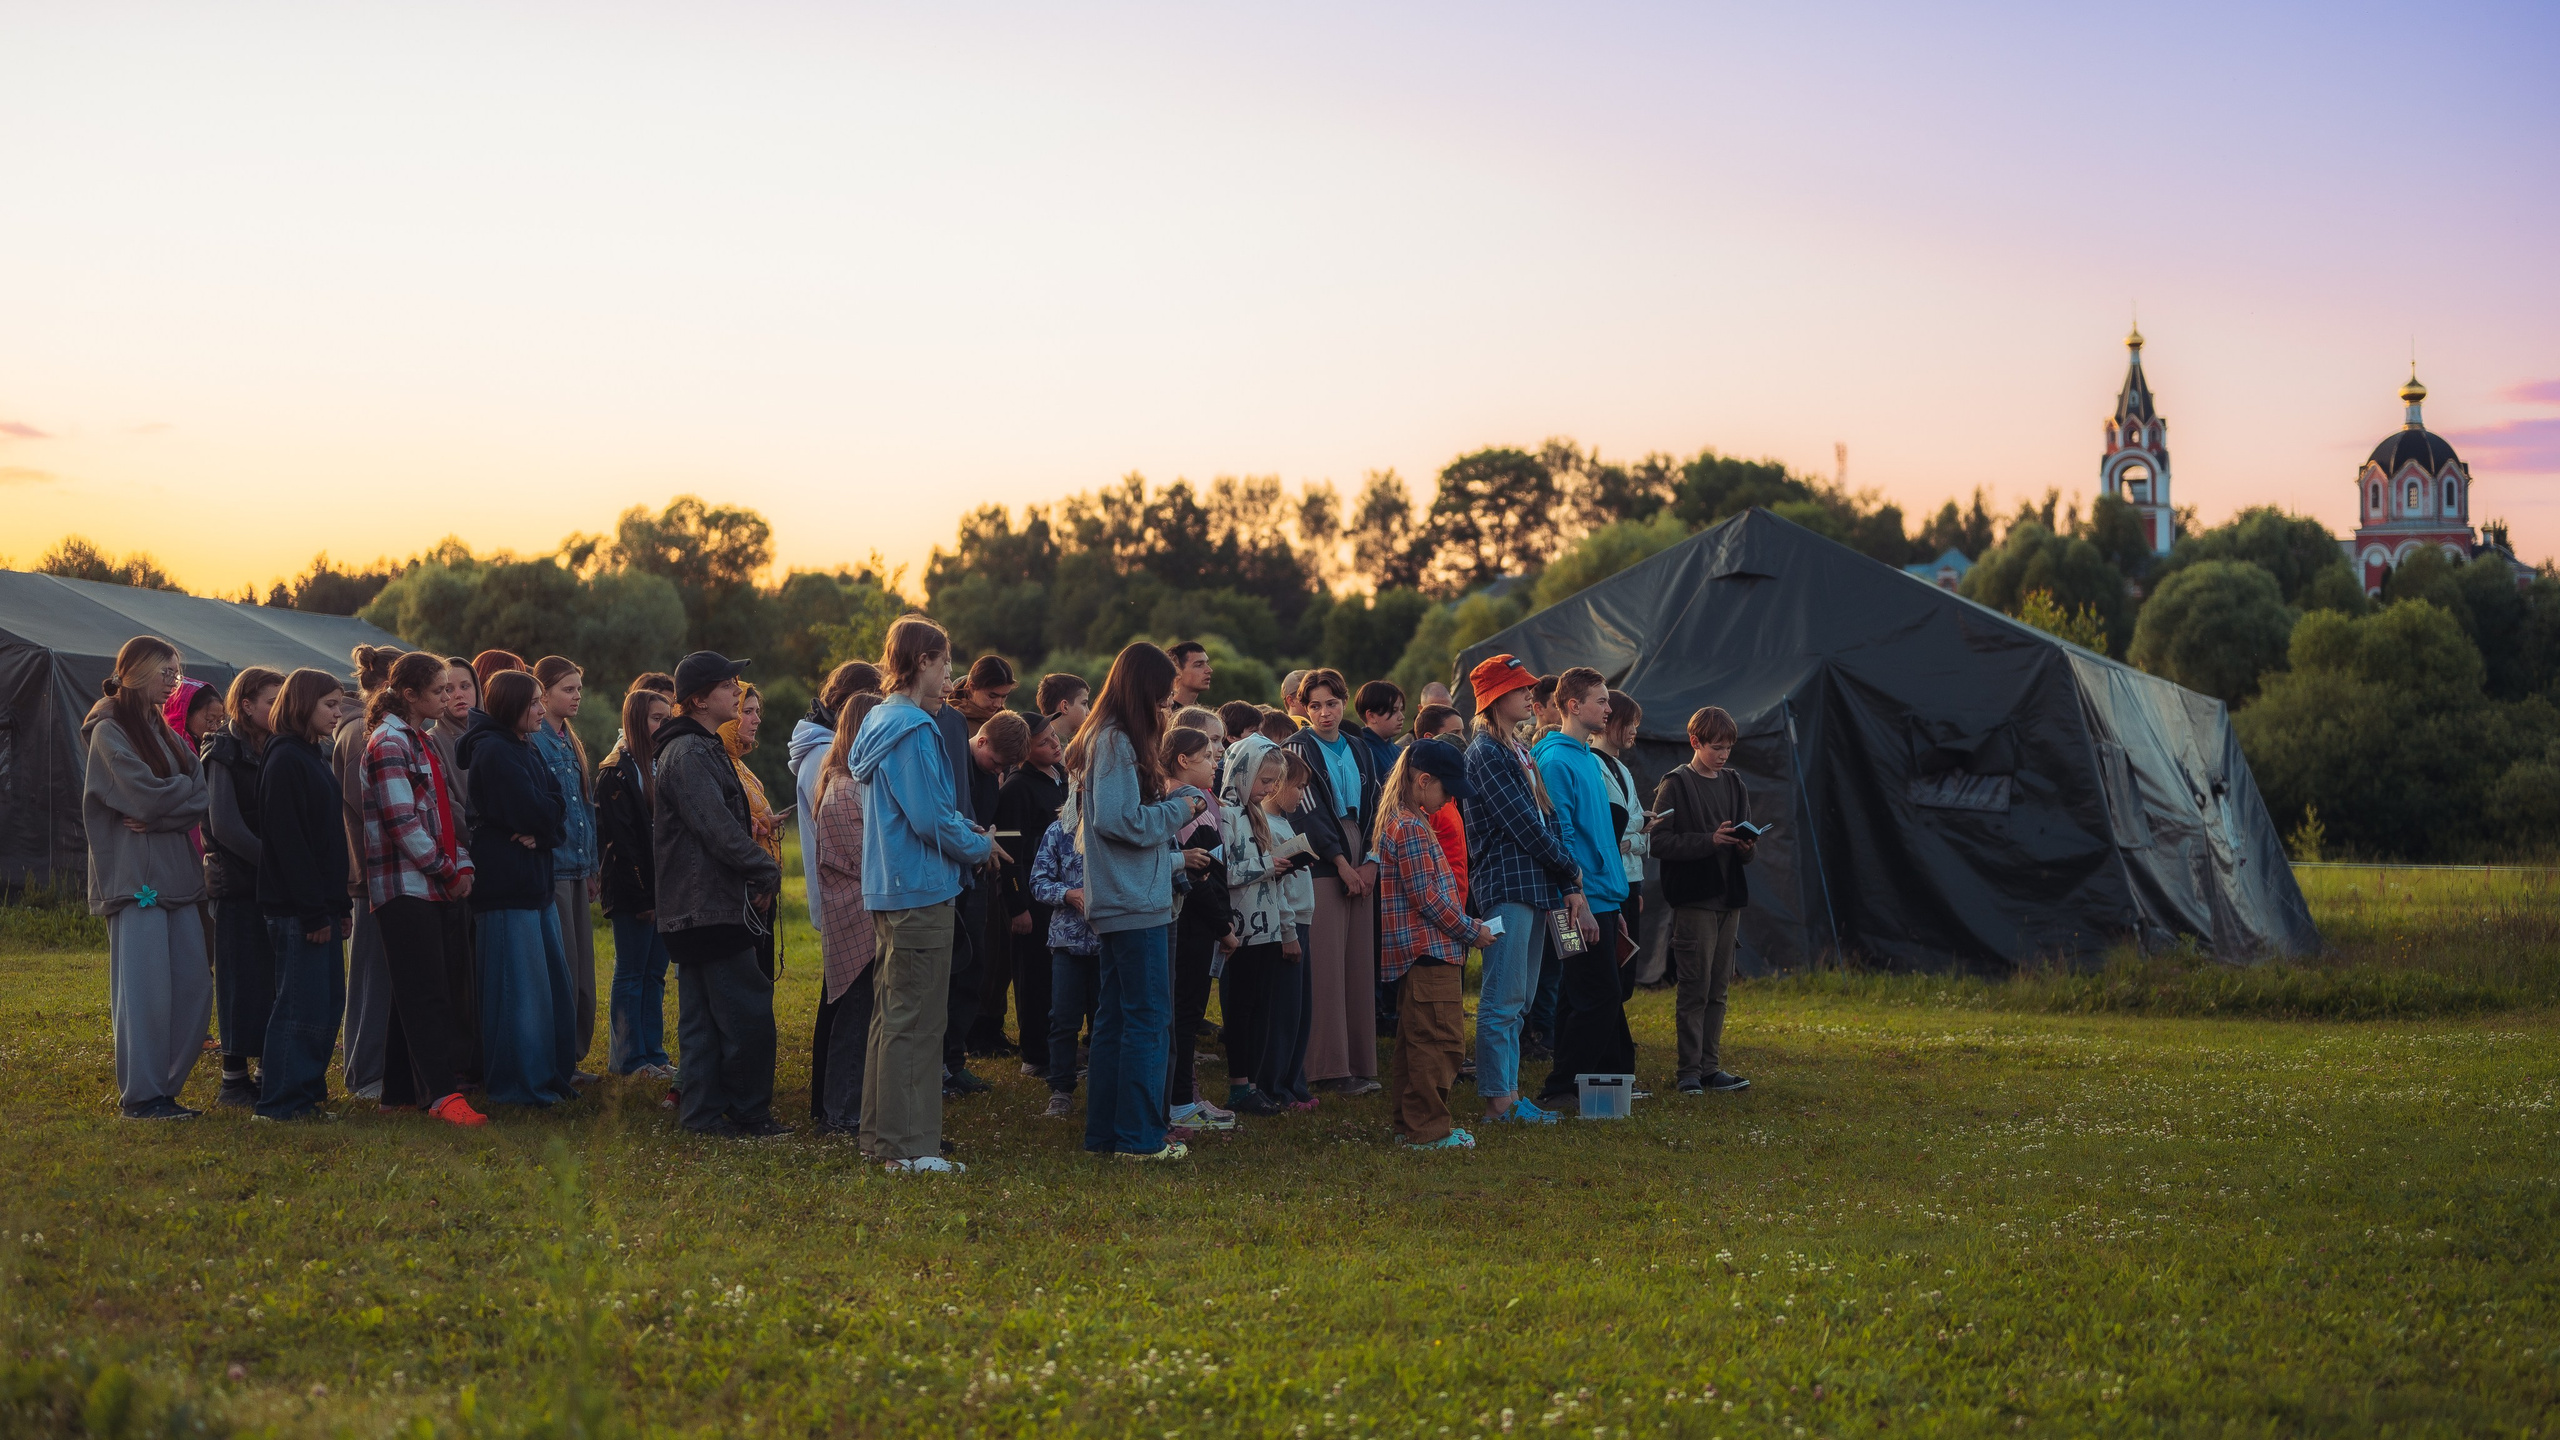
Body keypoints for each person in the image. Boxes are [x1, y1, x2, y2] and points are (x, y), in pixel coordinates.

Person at [847, 617, 991, 1173]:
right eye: (946, 662)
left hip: (891, 888)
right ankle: (908, 1149)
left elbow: (924, 809)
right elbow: (930, 817)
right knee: (918, 1023)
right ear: (923, 661)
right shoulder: (913, 727)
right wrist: (978, 846)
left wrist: (963, 831)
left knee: (892, 1018)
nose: (950, 674)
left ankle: (881, 1137)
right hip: (920, 890)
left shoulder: (879, 720)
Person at [1063, 642, 1200, 1161]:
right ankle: (1140, 1139)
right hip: (1134, 899)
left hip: (1125, 896)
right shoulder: (1116, 740)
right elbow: (1118, 820)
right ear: (1142, 689)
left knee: (1117, 1020)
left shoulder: (1105, 737)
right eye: (1162, 695)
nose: (1165, 705)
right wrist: (1180, 809)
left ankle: (1106, 1135)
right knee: (1147, 1019)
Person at [653, 651, 789, 1138]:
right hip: (706, 907)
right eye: (727, 684)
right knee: (746, 1013)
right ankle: (747, 1112)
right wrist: (765, 869)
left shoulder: (697, 748)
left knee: (704, 1020)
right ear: (698, 699)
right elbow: (718, 831)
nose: (737, 691)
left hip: (700, 905)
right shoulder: (689, 754)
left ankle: (703, 1115)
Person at [84, 637, 213, 1120]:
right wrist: (173, 800)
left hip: (178, 877)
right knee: (145, 993)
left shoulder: (167, 732)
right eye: (166, 672)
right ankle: (143, 1096)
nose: (173, 682)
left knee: (194, 987)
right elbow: (142, 795)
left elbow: (199, 794)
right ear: (135, 671)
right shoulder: (108, 731)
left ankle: (164, 1088)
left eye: (176, 673)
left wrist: (165, 808)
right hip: (135, 879)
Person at [358, 651, 487, 1127]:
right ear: (410, 695)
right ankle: (441, 1095)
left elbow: (443, 813)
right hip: (404, 886)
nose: (448, 697)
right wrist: (448, 871)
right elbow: (402, 823)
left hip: (429, 882)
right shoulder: (389, 741)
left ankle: (398, 1092)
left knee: (411, 990)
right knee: (427, 993)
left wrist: (461, 862)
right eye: (438, 690)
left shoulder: (422, 741)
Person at [1459, 654, 1586, 1126]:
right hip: (1507, 885)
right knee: (1502, 998)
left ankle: (1510, 1094)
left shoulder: (1516, 748)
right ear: (1495, 698)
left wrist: (1565, 881)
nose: (1529, 695)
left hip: (1534, 885)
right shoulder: (1486, 753)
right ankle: (1498, 1102)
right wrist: (1570, 870)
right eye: (1519, 689)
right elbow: (1523, 824)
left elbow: (1547, 818)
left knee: (1520, 999)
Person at [459, 670, 578, 1108]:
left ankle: (547, 1076)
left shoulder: (524, 746)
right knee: (517, 994)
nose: (541, 710)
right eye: (533, 703)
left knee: (547, 989)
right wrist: (544, 823)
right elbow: (534, 809)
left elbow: (557, 806)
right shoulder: (493, 751)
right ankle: (517, 1086)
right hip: (507, 888)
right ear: (511, 705)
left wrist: (544, 833)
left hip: (534, 884)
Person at [1373, 742, 1496, 1150]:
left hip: (1423, 952)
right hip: (1430, 952)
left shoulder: (1407, 819)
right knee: (1439, 1044)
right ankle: (1427, 1131)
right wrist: (1471, 930)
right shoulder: (1411, 826)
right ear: (1423, 781)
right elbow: (1426, 897)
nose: (1450, 800)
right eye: (1447, 790)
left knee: (1415, 1043)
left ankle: (1409, 1125)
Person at [1533, 667, 1638, 1109]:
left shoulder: (1586, 758)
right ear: (1574, 706)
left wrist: (1611, 901)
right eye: (1601, 700)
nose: (1609, 709)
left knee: (1579, 993)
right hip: (1577, 903)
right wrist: (1581, 902)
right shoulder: (1555, 761)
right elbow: (1562, 838)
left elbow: (1599, 835)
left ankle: (1582, 1086)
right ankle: (1563, 1087)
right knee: (1600, 994)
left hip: (1602, 897)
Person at [253, 668, 354, 1121]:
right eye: (329, 705)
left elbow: (329, 838)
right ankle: (280, 1101)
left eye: (339, 704)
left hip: (321, 906)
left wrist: (340, 905)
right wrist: (314, 912)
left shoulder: (312, 755)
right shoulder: (285, 759)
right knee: (299, 1005)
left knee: (326, 1004)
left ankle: (307, 1093)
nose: (337, 713)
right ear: (301, 704)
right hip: (298, 910)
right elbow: (289, 843)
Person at [1283, 669, 1382, 1097]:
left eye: (1332, 704)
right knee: (1325, 965)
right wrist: (1341, 863)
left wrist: (1372, 861)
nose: (1325, 713)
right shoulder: (1296, 747)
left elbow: (1378, 804)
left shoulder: (1360, 746)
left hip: (1362, 852)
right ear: (1304, 708)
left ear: (1344, 702)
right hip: (1322, 860)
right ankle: (1327, 1067)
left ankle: (1359, 1062)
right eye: (1316, 705)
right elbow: (1307, 814)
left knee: (1358, 964)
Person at [790, 663, 880, 1116]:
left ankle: (833, 1104)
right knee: (848, 1010)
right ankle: (837, 1108)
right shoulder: (836, 777)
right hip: (849, 907)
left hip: (850, 904)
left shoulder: (841, 772)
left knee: (848, 1008)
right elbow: (857, 855)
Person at [1653, 705, 1756, 1094]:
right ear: (1695, 742)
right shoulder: (1676, 784)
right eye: (1717, 747)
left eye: (1728, 747)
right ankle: (1689, 1072)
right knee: (1694, 987)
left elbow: (1746, 849)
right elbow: (1657, 841)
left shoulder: (1734, 782)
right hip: (1695, 899)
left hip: (1730, 899)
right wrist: (1708, 841)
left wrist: (1746, 846)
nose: (1724, 755)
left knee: (1718, 988)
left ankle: (1710, 1068)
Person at [201, 665, 284, 1108]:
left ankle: (267, 1073)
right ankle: (233, 1082)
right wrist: (278, 864)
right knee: (238, 980)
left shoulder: (280, 744)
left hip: (272, 881)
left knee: (273, 977)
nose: (280, 707)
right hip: (238, 881)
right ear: (247, 705)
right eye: (272, 701)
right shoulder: (223, 750)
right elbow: (225, 825)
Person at [813, 692, 889, 1134]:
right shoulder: (844, 790)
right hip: (855, 923)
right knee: (855, 1021)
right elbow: (868, 859)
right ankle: (841, 1113)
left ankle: (850, 1108)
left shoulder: (854, 783)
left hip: (863, 918)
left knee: (862, 1017)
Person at [1218, 743, 1308, 1116]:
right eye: (1265, 780)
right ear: (1242, 773)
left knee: (1261, 1008)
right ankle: (1239, 1086)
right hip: (1241, 929)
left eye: (1274, 782)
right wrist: (1267, 864)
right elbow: (1222, 872)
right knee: (1241, 1009)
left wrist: (1279, 866)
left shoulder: (1256, 814)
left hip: (1267, 926)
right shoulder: (1225, 815)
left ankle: (1254, 1085)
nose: (1270, 789)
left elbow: (1266, 874)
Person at [596, 685, 675, 1080]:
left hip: (661, 886)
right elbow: (622, 843)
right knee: (631, 972)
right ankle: (628, 1060)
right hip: (632, 888)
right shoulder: (616, 771)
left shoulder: (657, 763)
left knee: (654, 973)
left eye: (667, 718)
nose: (664, 725)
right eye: (657, 718)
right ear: (635, 720)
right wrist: (643, 896)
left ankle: (653, 1054)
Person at [336, 644, 404, 1100]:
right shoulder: (361, 732)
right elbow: (369, 806)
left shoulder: (369, 729)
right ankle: (364, 1072)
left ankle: (375, 1068)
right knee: (371, 974)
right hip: (370, 871)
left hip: (379, 869)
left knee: (380, 971)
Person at [1162, 725, 1236, 1133]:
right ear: (1182, 760)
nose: (1215, 762)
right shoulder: (1184, 804)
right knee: (1184, 1013)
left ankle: (1183, 1098)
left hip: (1198, 923)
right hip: (1191, 923)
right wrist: (1223, 926)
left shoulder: (1197, 800)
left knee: (1186, 1013)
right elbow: (1198, 876)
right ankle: (1178, 1103)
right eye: (1207, 756)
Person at [530, 657, 600, 1072]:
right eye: (567, 689)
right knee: (563, 968)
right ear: (543, 693)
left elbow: (585, 807)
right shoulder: (534, 740)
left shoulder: (569, 740)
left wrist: (592, 867)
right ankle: (559, 1062)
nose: (576, 697)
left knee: (583, 973)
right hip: (554, 867)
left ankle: (573, 1056)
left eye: (578, 689)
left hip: (577, 867)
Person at [995, 712, 1068, 1081]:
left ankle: (1059, 1045)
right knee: (1034, 975)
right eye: (1043, 742)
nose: (1055, 744)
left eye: (1054, 735)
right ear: (1024, 752)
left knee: (1059, 975)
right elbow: (1010, 854)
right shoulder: (1017, 789)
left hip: (1063, 895)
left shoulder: (1062, 778)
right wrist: (1017, 906)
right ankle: (1035, 1053)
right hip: (1032, 898)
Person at [963, 711, 1034, 1057]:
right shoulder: (958, 768)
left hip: (980, 877)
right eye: (995, 762)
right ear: (982, 740)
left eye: (1004, 767)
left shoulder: (992, 774)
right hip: (959, 879)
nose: (998, 771)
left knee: (979, 964)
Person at [1028, 802, 1097, 1119]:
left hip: (1109, 942)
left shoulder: (1115, 829)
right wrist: (1068, 894)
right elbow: (1038, 881)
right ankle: (1061, 1091)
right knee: (1063, 1018)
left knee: (1105, 1020)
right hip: (1067, 942)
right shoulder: (1058, 832)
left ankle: (1102, 1087)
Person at [720, 682, 789, 983]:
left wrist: (765, 822)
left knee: (762, 974)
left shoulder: (738, 765)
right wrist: (758, 823)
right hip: (743, 891)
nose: (756, 719)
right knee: (749, 981)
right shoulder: (719, 765)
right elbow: (724, 826)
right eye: (747, 712)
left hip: (760, 885)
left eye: (757, 711)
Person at [1591, 688, 1655, 999]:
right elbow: (1606, 825)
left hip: (1630, 879)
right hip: (1607, 882)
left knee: (1626, 970)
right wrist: (1637, 829)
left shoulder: (1624, 769)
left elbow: (1640, 834)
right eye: (1628, 723)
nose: (1633, 731)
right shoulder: (1592, 765)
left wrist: (1632, 838)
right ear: (1608, 721)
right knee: (1609, 972)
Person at [1352, 681, 1405, 778]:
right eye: (1393, 711)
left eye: (1401, 710)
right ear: (1371, 716)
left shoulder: (1400, 751)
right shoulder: (1361, 752)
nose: (1401, 717)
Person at [951, 655, 1018, 733]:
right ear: (972, 687)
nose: (998, 704)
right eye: (992, 696)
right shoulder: (953, 722)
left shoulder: (1007, 724)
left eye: (1004, 696)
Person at [1168, 641, 1214, 709]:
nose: (1209, 670)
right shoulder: (1162, 713)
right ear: (1177, 670)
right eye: (1199, 665)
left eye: (1207, 664)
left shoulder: (1201, 714)